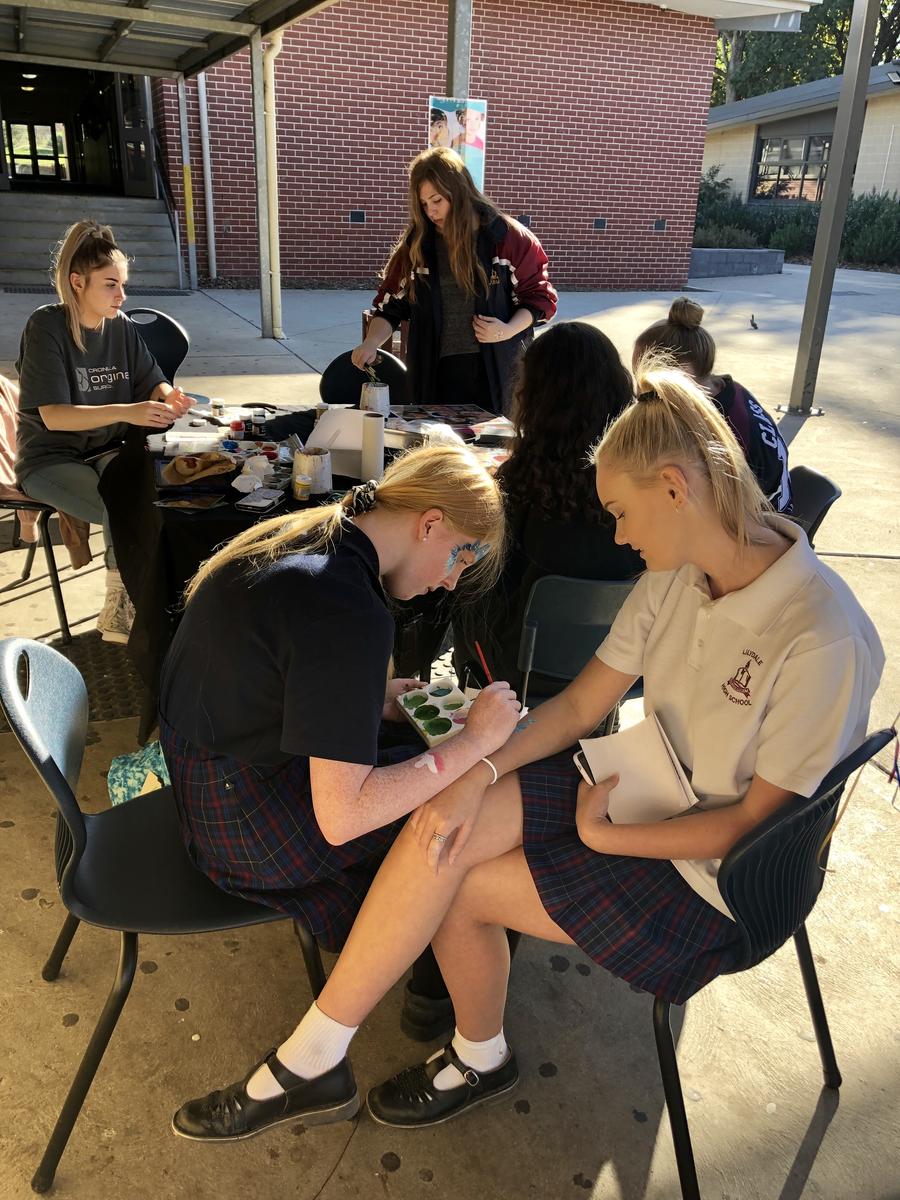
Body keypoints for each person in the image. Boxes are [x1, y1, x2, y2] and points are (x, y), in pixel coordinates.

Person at [170, 357, 882, 1143]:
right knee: (441, 825)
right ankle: (323, 1055)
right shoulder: (680, 575)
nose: (618, 536)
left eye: (621, 512)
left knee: (460, 883)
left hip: (721, 877)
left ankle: (465, 1057)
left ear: (675, 489)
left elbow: (750, 827)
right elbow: (579, 705)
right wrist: (473, 771)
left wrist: (603, 836)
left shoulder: (822, 636)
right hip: (641, 788)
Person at [158, 443, 520, 1038]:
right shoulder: (348, 608)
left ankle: (435, 967)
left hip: (204, 794)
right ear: (430, 524)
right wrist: (474, 742)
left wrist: (367, 703)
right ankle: (441, 995)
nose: (451, 581)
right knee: (471, 814)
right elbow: (343, 817)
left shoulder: (303, 539)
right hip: (247, 834)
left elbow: (267, 683)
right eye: (462, 556)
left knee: (430, 770)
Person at [14, 219, 192, 642]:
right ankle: (122, 605)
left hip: (108, 448)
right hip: (50, 458)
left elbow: (152, 377)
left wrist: (170, 396)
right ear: (77, 282)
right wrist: (131, 411)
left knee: (156, 496)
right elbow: (55, 417)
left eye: (123, 285)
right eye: (110, 285)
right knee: (124, 505)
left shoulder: (121, 325)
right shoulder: (46, 326)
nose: (121, 296)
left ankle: (153, 599)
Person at [452, 321, 643, 692]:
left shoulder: (524, 479)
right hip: (621, 665)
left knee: (461, 573)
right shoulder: (642, 479)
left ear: (537, 396)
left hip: (521, 668)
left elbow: (486, 580)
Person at [351, 148, 557, 416]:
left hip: (498, 373)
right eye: (423, 204)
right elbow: (390, 306)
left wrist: (507, 330)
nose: (431, 210)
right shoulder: (418, 245)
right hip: (435, 374)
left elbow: (539, 299)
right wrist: (371, 342)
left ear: (459, 190)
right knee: (437, 440)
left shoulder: (507, 238)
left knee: (492, 440)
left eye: (436, 199)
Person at [634, 297, 792, 512]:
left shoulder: (718, 435)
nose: (639, 394)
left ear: (678, 378)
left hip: (759, 523)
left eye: (648, 386)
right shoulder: (729, 389)